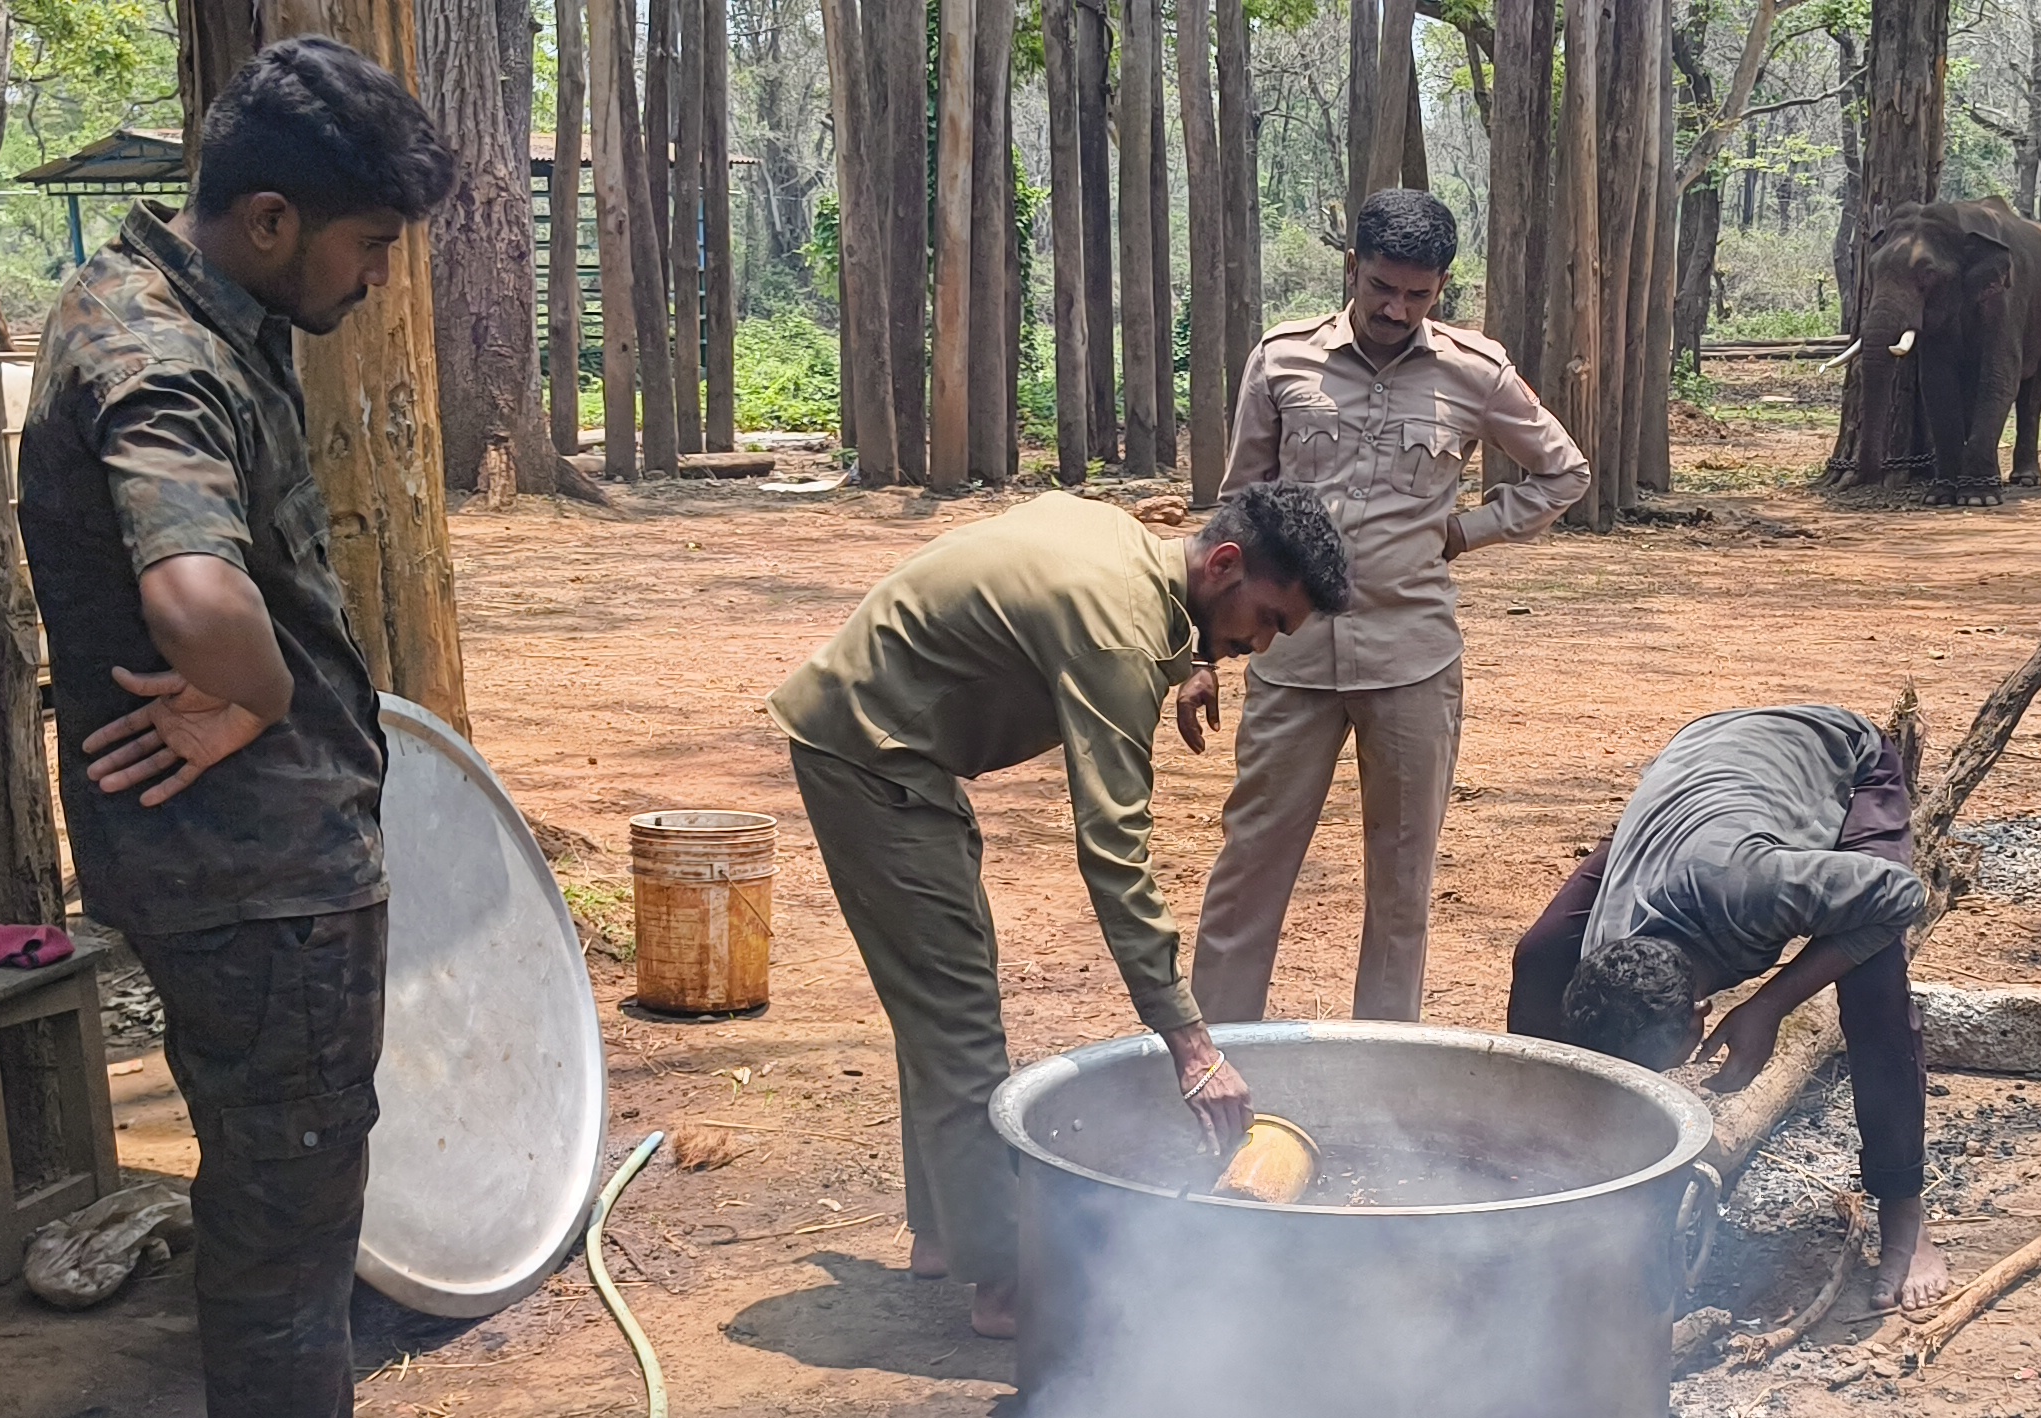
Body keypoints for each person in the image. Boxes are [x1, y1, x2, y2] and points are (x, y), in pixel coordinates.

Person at [19, 39, 506, 1418]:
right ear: (279, 218)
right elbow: (198, 597)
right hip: (250, 873)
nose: (375, 283)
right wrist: (253, 692)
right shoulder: (163, 358)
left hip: (252, 857)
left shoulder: (150, 300)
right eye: (368, 249)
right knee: (288, 1201)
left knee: (298, 1177)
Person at [773, 484, 1353, 1339]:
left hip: (890, 738)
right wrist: (1190, 1043)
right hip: (871, 754)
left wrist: (1195, 655)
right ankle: (1005, 1284)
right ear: (1225, 564)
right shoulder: (1116, 631)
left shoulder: (1124, 544)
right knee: (960, 1018)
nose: (1257, 647)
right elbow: (1113, 852)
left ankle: (943, 1234)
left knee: (941, 994)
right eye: (1264, 621)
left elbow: (1112, 610)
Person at [1188, 187, 1590, 1026]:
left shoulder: (1475, 372)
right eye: (1381, 288)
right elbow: (1236, 508)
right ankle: (1216, 1056)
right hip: (1289, 661)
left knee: (1401, 884)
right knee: (1249, 869)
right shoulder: (1283, 358)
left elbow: (1564, 473)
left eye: (1418, 294)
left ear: (1442, 286)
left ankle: (1384, 1069)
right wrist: (1198, 653)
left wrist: (1465, 533)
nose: (1396, 309)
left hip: (1413, 660)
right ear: (1353, 268)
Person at [1507, 706, 1952, 1311]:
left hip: (1828, 754)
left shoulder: (1758, 889)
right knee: (1538, 955)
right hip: (1691, 765)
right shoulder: (1602, 947)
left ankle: (1905, 1214)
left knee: (1873, 986)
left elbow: (1902, 896)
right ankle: (1543, 1164)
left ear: (1702, 1012)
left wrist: (1770, 1005)